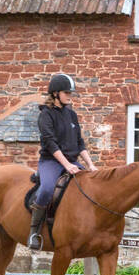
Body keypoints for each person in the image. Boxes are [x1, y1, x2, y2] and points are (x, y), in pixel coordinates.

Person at [29, 73, 97, 250]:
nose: (70, 95)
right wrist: (67, 164)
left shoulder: (72, 115)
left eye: (70, 93)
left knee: (91, 185)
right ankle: (34, 233)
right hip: (51, 161)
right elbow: (50, 143)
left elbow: (79, 143)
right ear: (55, 93)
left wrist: (90, 165)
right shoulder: (46, 115)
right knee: (46, 190)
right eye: (67, 92)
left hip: (73, 161)